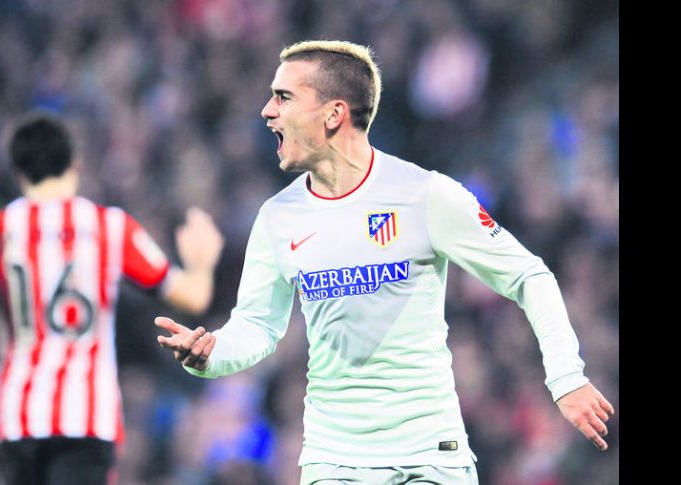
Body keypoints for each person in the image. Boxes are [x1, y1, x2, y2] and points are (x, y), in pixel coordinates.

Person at [155, 40, 614, 484]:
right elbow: (257, 325)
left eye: (284, 97)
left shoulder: (424, 194)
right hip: (334, 462)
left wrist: (565, 377)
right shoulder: (278, 216)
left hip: (430, 459)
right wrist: (212, 354)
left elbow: (529, 275)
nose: (268, 111)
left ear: (334, 113)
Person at [0, 111, 224, 485]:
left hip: (19, 415)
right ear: (75, 163)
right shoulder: (110, 227)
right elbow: (191, 298)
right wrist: (202, 264)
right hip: (88, 416)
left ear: (18, 172)